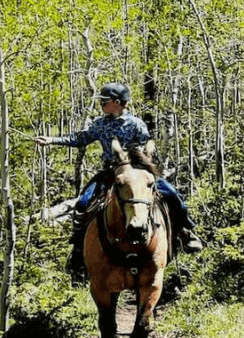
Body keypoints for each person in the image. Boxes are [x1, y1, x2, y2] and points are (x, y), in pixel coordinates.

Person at [35, 83, 203, 277]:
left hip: (137, 173)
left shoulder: (136, 124)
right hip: (110, 173)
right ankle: (79, 249)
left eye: (104, 102)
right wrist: (52, 140)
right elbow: (81, 138)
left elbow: (145, 149)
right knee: (82, 204)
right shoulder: (100, 124)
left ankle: (185, 232)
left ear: (116, 102)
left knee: (173, 195)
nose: (101, 105)